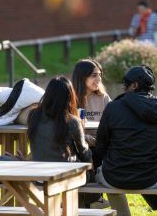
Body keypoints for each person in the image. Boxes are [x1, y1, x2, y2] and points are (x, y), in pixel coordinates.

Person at [93, 65, 157, 216]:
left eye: (126, 84)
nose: (124, 88)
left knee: (105, 172)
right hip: (152, 177)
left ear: (134, 85)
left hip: (113, 176)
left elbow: (100, 146)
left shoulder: (113, 107)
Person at [27, 76, 95, 207]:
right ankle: (85, 205)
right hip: (64, 176)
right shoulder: (72, 121)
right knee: (90, 164)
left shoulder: (33, 116)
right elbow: (84, 152)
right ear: (69, 97)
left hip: (38, 175)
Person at [71, 59, 111, 208]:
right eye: (94, 75)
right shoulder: (70, 98)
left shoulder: (104, 98)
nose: (99, 79)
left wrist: (92, 139)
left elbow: (112, 125)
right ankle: (90, 201)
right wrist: (85, 139)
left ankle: (92, 200)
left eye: (100, 75)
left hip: (99, 145)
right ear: (82, 77)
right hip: (78, 146)